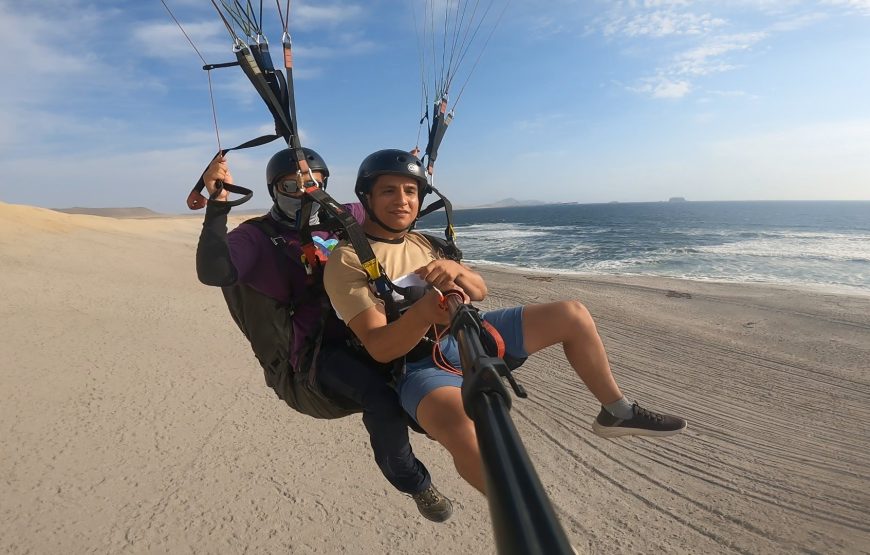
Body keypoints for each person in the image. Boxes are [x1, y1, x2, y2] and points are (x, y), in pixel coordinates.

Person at [323, 149, 688, 493]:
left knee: (571, 314)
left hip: (471, 332)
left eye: (410, 191)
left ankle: (617, 412)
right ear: (366, 197)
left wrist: (454, 268)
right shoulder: (349, 260)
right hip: (418, 366)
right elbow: (380, 348)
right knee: (472, 435)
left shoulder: (422, 242)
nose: (402, 200)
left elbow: (479, 291)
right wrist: (421, 314)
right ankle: (530, 527)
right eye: (388, 191)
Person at [194, 148, 453, 520]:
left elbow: (386, 204)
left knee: (439, 363)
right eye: (291, 185)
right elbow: (214, 271)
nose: (304, 192)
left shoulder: (337, 218)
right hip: (315, 357)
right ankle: (416, 484)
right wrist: (218, 204)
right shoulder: (256, 238)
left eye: (313, 183)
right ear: (273, 189)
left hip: (363, 333)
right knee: (382, 398)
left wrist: (404, 165)